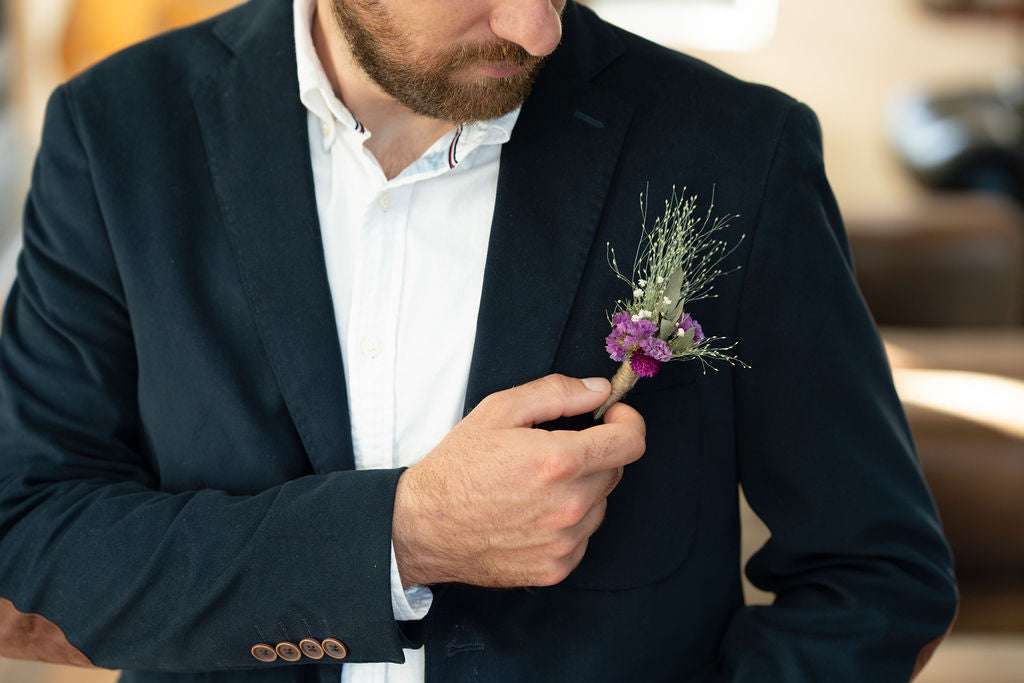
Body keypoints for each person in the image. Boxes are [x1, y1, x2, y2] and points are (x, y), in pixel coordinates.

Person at [0, 0, 958, 681]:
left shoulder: (735, 148)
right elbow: (32, 534)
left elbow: (876, 574)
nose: (539, 26)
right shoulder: (113, 136)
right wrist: (402, 536)